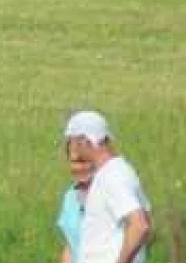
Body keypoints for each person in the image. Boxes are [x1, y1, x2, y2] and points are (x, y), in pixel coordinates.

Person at [64, 111, 151, 263]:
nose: (74, 150)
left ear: (85, 141)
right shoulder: (116, 172)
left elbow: (140, 225)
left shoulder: (112, 176)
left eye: (74, 142)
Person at [57, 139, 96, 263]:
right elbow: (70, 245)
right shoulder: (70, 196)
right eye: (75, 161)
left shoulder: (110, 193)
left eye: (85, 161)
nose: (80, 167)